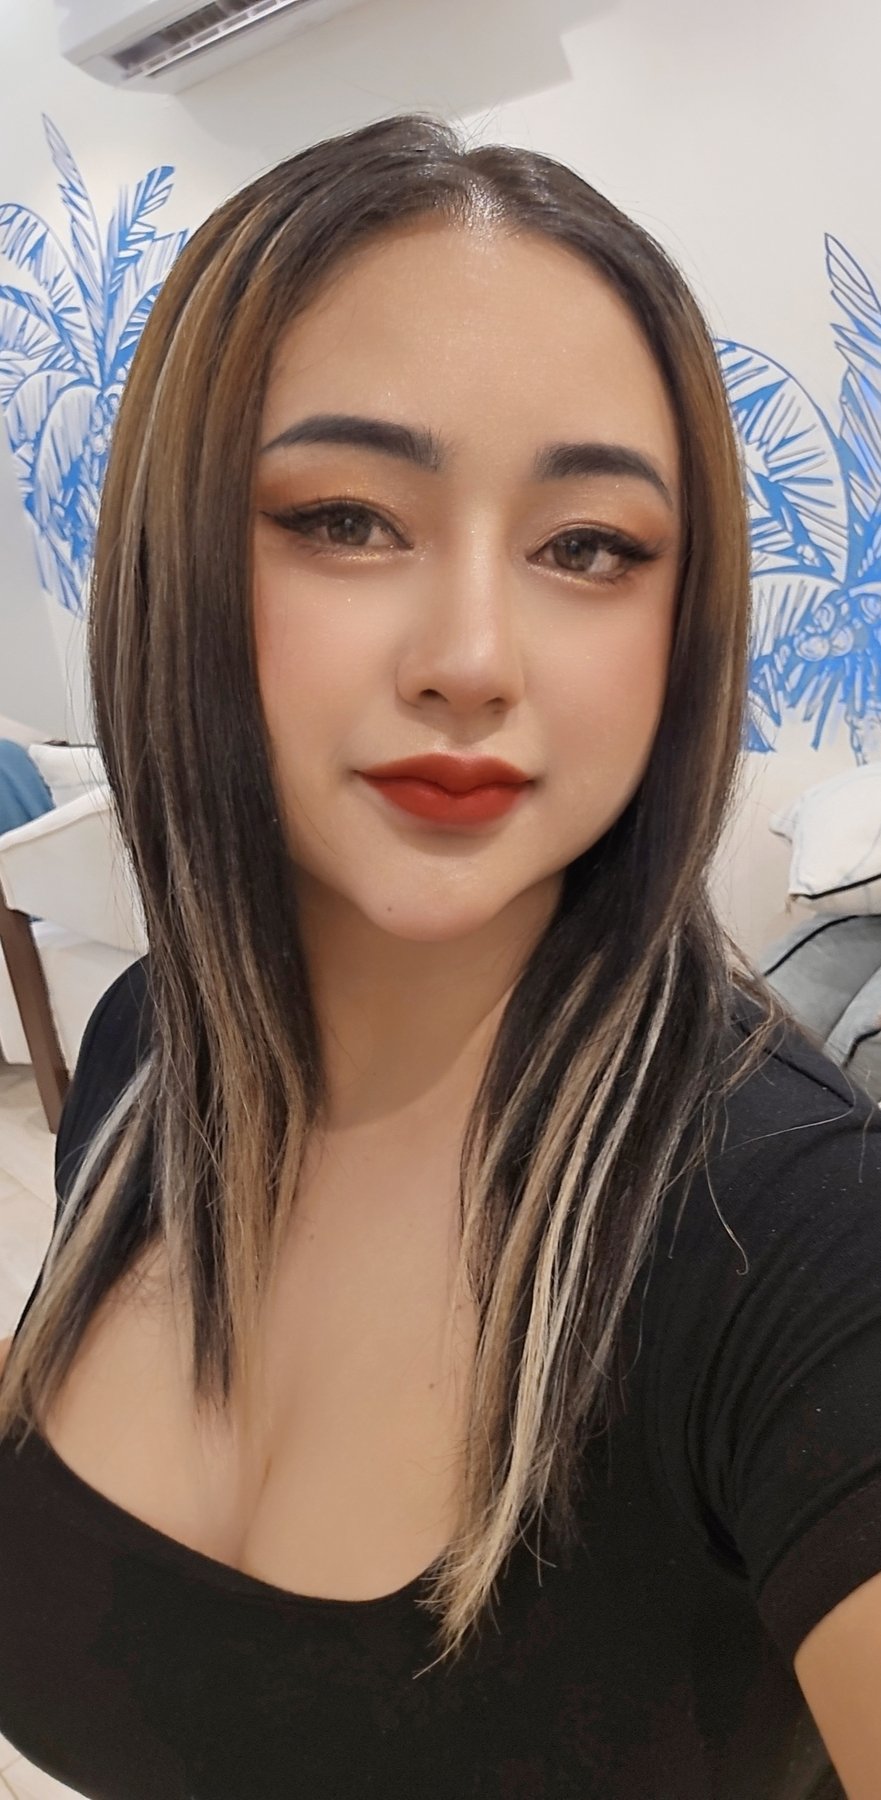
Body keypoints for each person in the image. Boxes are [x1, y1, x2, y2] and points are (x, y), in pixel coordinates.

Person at [0, 113, 879, 1800]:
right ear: (180, 559)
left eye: (587, 547)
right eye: (345, 518)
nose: (472, 657)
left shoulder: (794, 1238)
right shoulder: (145, 1048)